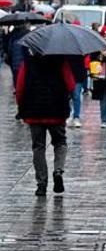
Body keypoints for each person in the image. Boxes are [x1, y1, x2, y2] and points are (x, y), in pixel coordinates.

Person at [15, 50, 76, 196]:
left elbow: (19, 88)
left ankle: (41, 185)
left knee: (38, 147)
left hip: (34, 112)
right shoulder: (61, 61)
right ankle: (58, 171)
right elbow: (71, 85)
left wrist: (21, 107)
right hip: (56, 111)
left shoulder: (28, 63)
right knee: (60, 142)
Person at [67, 55, 87, 128]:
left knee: (76, 96)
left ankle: (76, 117)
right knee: (67, 96)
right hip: (67, 73)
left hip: (78, 75)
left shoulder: (80, 48)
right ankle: (68, 114)